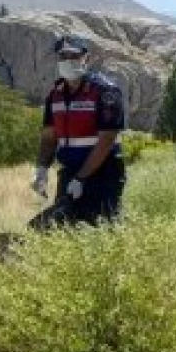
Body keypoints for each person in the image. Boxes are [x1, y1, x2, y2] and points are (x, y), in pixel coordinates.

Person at [32, 35, 126, 225]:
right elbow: (49, 138)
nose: (68, 61)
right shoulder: (55, 95)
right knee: (62, 229)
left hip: (103, 174)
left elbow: (107, 139)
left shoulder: (104, 91)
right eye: (63, 57)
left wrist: (82, 178)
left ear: (86, 59)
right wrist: (41, 170)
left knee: (100, 227)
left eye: (74, 56)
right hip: (70, 172)